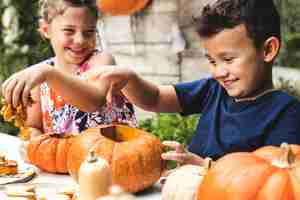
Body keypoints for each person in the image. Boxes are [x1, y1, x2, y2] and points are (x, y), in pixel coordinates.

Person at [85, 0, 300, 166]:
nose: (219, 72)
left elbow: (272, 179)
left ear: (268, 50)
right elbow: (156, 98)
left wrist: (203, 167)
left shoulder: (286, 112)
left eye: (228, 59)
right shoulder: (213, 90)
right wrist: (128, 78)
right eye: (212, 61)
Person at [1, 0, 136, 139]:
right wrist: (36, 141)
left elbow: (94, 101)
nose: (80, 40)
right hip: (62, 158)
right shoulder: (41, 77)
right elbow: (33, 126)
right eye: (69, 31)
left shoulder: (101, 62)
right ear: (46, 30)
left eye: (89, 32)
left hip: (111, 155)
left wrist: (48, 73)